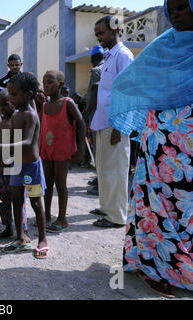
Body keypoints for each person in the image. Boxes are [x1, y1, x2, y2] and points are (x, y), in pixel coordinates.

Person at [110, 0, 193, 297]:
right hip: (160, 143)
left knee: (186, 206)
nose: (177, 15)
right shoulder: (161, 48)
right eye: (173, 9)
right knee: (156, 202)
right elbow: (127, 83)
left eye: (183, 7)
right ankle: (152, 266)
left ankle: (183, 265)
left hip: (190, 149)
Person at [0, 72, 49, 259]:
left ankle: (43, 239)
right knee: (17, 201)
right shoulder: (16, 115)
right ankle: (21, 237)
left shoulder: (30, 115)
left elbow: (26, 142)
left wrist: (2, 145)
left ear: (28, 94)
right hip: (16, 165)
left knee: (35, 202)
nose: (11, 98)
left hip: (30, 166)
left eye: (14, 94)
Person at [90, 16, 134, 228]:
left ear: (114, 30)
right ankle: (107, 208)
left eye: (102, 33)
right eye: (97, 34)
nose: (99, 38)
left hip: (115, 123)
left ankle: (117, 216)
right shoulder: (108, 57)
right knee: (103, 169)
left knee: (115, 170)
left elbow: (127, 91)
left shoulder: (123, 55)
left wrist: (121, 124)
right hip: (103, 121)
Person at [39, 70, 86, 233]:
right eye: (44, 82)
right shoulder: (44, 105)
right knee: (47, 185)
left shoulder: (68, 103)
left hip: (62, 151)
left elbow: (81, 124)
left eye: (50, 82)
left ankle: (62, 218)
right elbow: (42, 128)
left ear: (60, 83)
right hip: (46, 151)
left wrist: (81, 149)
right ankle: (47, 214)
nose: (46, 85)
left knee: (60, 184)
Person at [0, 89, 28, 240]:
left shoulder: (17, 121)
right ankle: (8, 227)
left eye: (5, 104)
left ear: (13, 102)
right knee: (2, 200)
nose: (3, 108)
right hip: (2, 169)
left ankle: (22, 230)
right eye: (0, 105)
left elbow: (20, 148)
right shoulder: (0, 124)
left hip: (15, 168)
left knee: (17, 200)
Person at [84, 45, 105, 195]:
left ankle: (101, 184)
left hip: (97, 116)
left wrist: (86, 114)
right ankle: (99, 179)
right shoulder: (106, 67)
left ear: (93, 58)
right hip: (103, 116)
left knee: (99, 151)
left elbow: (95, 94)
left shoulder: (97, 70)